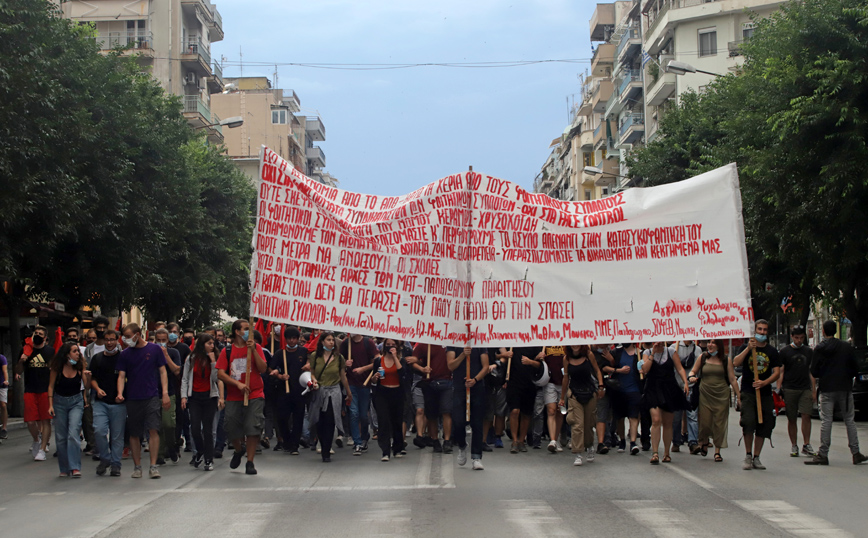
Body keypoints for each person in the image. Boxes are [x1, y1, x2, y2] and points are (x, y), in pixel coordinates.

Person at [805, 320, 867, 466]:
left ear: (824, 332)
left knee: (826, 421)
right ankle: (856, 452)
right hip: (845, 389)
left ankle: (823, 453)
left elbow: (814, 371)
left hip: (827, 388)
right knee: (849, 420)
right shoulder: (846, 347)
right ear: (835, 331)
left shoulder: (820, 349)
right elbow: (855, 367)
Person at [116, 323, 171, 479]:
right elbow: (121, 375)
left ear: (137, 334)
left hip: (151, 396)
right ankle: (137, 466)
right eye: (124, 337)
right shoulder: (125, 354)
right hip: (133, 398)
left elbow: (162, 371)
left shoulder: (154, 350)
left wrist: (165, 393)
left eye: (128, 336)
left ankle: (153, 466)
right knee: (134, 433)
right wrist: (120, 393)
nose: (126, 339)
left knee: (153, 430)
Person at [216, 319, 268, 475]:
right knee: (231, 427)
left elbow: (263, 368)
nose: (248, 331)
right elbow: (220, 373)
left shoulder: (256, 347)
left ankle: (250, 462)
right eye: (245, 329)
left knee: (253, 427)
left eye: (250, 328)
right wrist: (237, 384)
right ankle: (239, 449)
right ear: (237, 332)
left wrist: (253, 351)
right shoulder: (227, 351)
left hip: (255, 393)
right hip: (234, 396)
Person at [733, 319, 781, 470]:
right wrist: (748, 349)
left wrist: (764, 382)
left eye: (764, 330)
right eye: (759, 329)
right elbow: (735, 362)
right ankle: (747, 455)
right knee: (748, 422)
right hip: (748, 391)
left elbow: (777, 372)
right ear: (755, 331)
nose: (762, 332)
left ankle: (756, 457)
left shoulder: (772, 351)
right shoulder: (746, 347)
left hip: (765, 393)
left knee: (765, 423)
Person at [689, 339, 740, 462]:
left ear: (719, 346)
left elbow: (732, 379)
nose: (710, 345)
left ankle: (717, 451)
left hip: (721, 394)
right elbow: (693, 371)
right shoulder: (702, 357)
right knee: (705, 423)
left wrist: (738, 396)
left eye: (713, 343)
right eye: (709, 343)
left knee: (719, 423)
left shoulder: (725, 360)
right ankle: (704, 441)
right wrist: (691, 377)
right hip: (705, 394)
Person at [641, 341, 690, 465]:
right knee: (656, 420)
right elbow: (645, 369)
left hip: (669, 389)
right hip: (653, 389)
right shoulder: (647, 353)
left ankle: (667, 453)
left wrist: (685, 382)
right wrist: (653, 353)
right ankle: (655, 452)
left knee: (668, 423)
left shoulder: (671, 351)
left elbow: (679, 368)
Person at [181, 334, 224, 471]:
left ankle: (208, 459)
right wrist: (183, 396)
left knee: (208, 429)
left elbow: (215, 378)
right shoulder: (191, 358)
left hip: (210, 397)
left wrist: (212, 362)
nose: (212, 346)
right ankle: (200, 451)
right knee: (194, 428)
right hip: (194, 397)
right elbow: (185, 379)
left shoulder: (215, 358)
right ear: (202, 344)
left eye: (213, 343)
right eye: (209, 343)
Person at [308, 332, 352, 462]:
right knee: (320, 421)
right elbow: (312, 373)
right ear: (322, 342)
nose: (331, 342)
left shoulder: (339, 358)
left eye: (333, 340)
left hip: (334, 391)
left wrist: (348, 393)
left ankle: (327, 450)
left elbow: (343, 376)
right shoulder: (315, 356)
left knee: (331, 419)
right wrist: (314, 380)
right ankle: (321, 443)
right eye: (328, 340)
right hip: (320, 391)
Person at [559, 345, 604, 466]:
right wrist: (562, 398)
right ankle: (578, 452)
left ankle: (589, 446)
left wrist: (600, 386)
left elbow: (597, 370)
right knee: (577, 424)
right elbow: (566, 378)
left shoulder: (589, 355)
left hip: (589, 392)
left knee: (589, 423)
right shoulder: (566, 359)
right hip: (574, 394)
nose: (575, 345)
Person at [48, 342, 88, 477]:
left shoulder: (80, 366)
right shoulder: (57, 368)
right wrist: (50, 404)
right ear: (66, 354)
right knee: (61, 437)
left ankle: (75, 467)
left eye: (78, 351)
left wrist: (86, 376)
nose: (78, 353)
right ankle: (64, 468)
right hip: (59, 402)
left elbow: (86, 386)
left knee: (73, 433)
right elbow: (51, 387)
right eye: (74, 351)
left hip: (76, 401)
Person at [89, 330, 126, 476]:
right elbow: (92, 378)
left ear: (117, 340)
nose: (109, 343)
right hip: (101, 402)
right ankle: (105, 458)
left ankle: (116, 464)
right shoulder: (97, 358)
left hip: (119, 403)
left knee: (117, 436)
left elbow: (125, 377)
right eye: (106, 340)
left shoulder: (123, 358)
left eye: (112, 339)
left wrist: (120, 394)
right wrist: (97, 389)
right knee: (99, 430)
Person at [446, 345, 489, 469]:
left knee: (477, 422)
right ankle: (461, 445)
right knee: (458, 421)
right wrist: (463, 355)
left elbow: (485, 366)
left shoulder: (479, 343)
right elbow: (451, 366)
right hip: (459, 387)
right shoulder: (452, 343)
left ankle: (476, 456)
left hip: (477, 387)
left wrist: (475, 380)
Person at [267, 327, 307, 454]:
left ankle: (294, 445)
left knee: (298, 418)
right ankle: (287, 440)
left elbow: (311, 364)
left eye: (294, 338)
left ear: (298, 339)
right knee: (282, 418)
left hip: (299, 391)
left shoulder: (303, 352)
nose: (291, 341)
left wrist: (308, 367)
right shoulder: (280, 353)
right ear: (286, 339)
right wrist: (279, 375)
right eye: (289, 338)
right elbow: (271, 369)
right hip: (283, 391)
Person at [16, 325, 54, 461]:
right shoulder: (26, 350)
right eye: (35, 333)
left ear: (45, 337)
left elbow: (53, 369)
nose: (37, 335)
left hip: (45, 390)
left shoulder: (50, 351)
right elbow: (18, 371)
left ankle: (43, 449)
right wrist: (21, 360)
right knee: (31, 421)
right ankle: (36, 439)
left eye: (40, 334)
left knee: (45, 420)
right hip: (30, 389)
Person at [779, 326, 816, 457]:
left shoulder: (808, 351)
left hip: (805, 387)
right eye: (796, 338)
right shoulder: (784, 352)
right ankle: (794, 445)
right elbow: (781, 371)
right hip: (789, 388)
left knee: (806, 415)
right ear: (792, 337)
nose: (799, 340)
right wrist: (779, 390)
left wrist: (814, 391)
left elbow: (811, 372)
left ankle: (806, 444)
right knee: (792, 418)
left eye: (801, 338)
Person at [340, 333, 380, 455]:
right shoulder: (346, 343)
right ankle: (357, 442)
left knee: (363, 415)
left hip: (365, 384)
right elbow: (338, 361)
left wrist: (363, 369)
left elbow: (377, 361)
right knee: (353, 413)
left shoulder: (369, 343)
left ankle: (364, 438)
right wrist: (345, 364)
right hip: (350, 383)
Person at [372, 339, 409, 461]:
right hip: (382, 393)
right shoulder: (378, 361)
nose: (390, 347)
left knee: (397, 421)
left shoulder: (401, 360)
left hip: (397, 393)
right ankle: (385, 451)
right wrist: (375, 377)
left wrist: (395, 356)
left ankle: (397, 448)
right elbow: (373, 380)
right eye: (387, 345)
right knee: (383, 421)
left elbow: (402, 372)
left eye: (392, 345)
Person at [415, 343, 453, 453]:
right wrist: (422, 369)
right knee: (432, 415)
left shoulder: (449, 342)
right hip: (429, 382)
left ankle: (447, 441)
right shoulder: (424, 344)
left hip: (447, 382)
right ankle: (435, 440)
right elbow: (413, 361)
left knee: (447, 412)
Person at [506, 346, 544, 453]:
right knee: (514, 411)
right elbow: (504, 359)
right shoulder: (512, 344)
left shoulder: (534, 345)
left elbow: (539, 365)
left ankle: (522, 440)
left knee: (526, 413)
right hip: (514, 382)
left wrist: (530, 362)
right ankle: (514, 441)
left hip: (529, 383)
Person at [611, 342, 642, 455]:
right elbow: (609, 366)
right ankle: (622, 440)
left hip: (634, 390)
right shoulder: (616, 352)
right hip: (619, 390)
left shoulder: (639, 354)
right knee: (620, 417)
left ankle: (633, 442)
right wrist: (619, 370)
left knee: (633, 416)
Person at [167, 322, 193, 452]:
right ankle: (171, 444)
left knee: (182, 417)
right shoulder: (162, 348)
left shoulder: (184, 348)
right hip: (166, 387)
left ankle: (186, 441)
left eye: (175, 332)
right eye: (170, 331)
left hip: (180, 386)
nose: (172, 334)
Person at [671, 341, 700, 454]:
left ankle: (693, 442)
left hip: (691, 387)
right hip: (677, 387)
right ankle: (676, 441)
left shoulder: (697, 350)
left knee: (692, 415)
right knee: (676, 417)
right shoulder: (674, 348)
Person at [538, 345, 565, 454]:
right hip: (550, 381)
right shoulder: (545, 342)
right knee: (551, 410)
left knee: (560, 411)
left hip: (564, 381)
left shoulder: (566, 341)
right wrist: (539, 356)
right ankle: (552, 440)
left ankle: (557, 438)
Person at [592, 345, 617, 455]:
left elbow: (616, 366)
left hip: (610, 386)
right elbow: (598, 369)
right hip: (594, 385)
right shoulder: (589, 351)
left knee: (609, 414)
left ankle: (609, 437)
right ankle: (601, 442)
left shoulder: (611, 351)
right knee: (601, 414)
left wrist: (611, 359)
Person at [483, 349, 508, 450]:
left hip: (500, 382)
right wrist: (498, 356)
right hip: (485, 381)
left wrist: (497, 363)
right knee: (487, 413)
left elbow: (506, 355)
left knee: (500, 412)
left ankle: (498, 436)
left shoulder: (499, 340)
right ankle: (486, 436)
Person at [0, 352, 8, 440]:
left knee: (3, 404)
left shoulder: (2, 358)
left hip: (1, 384)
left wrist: (6, 380)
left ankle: (4, 428)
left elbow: (5, 370)